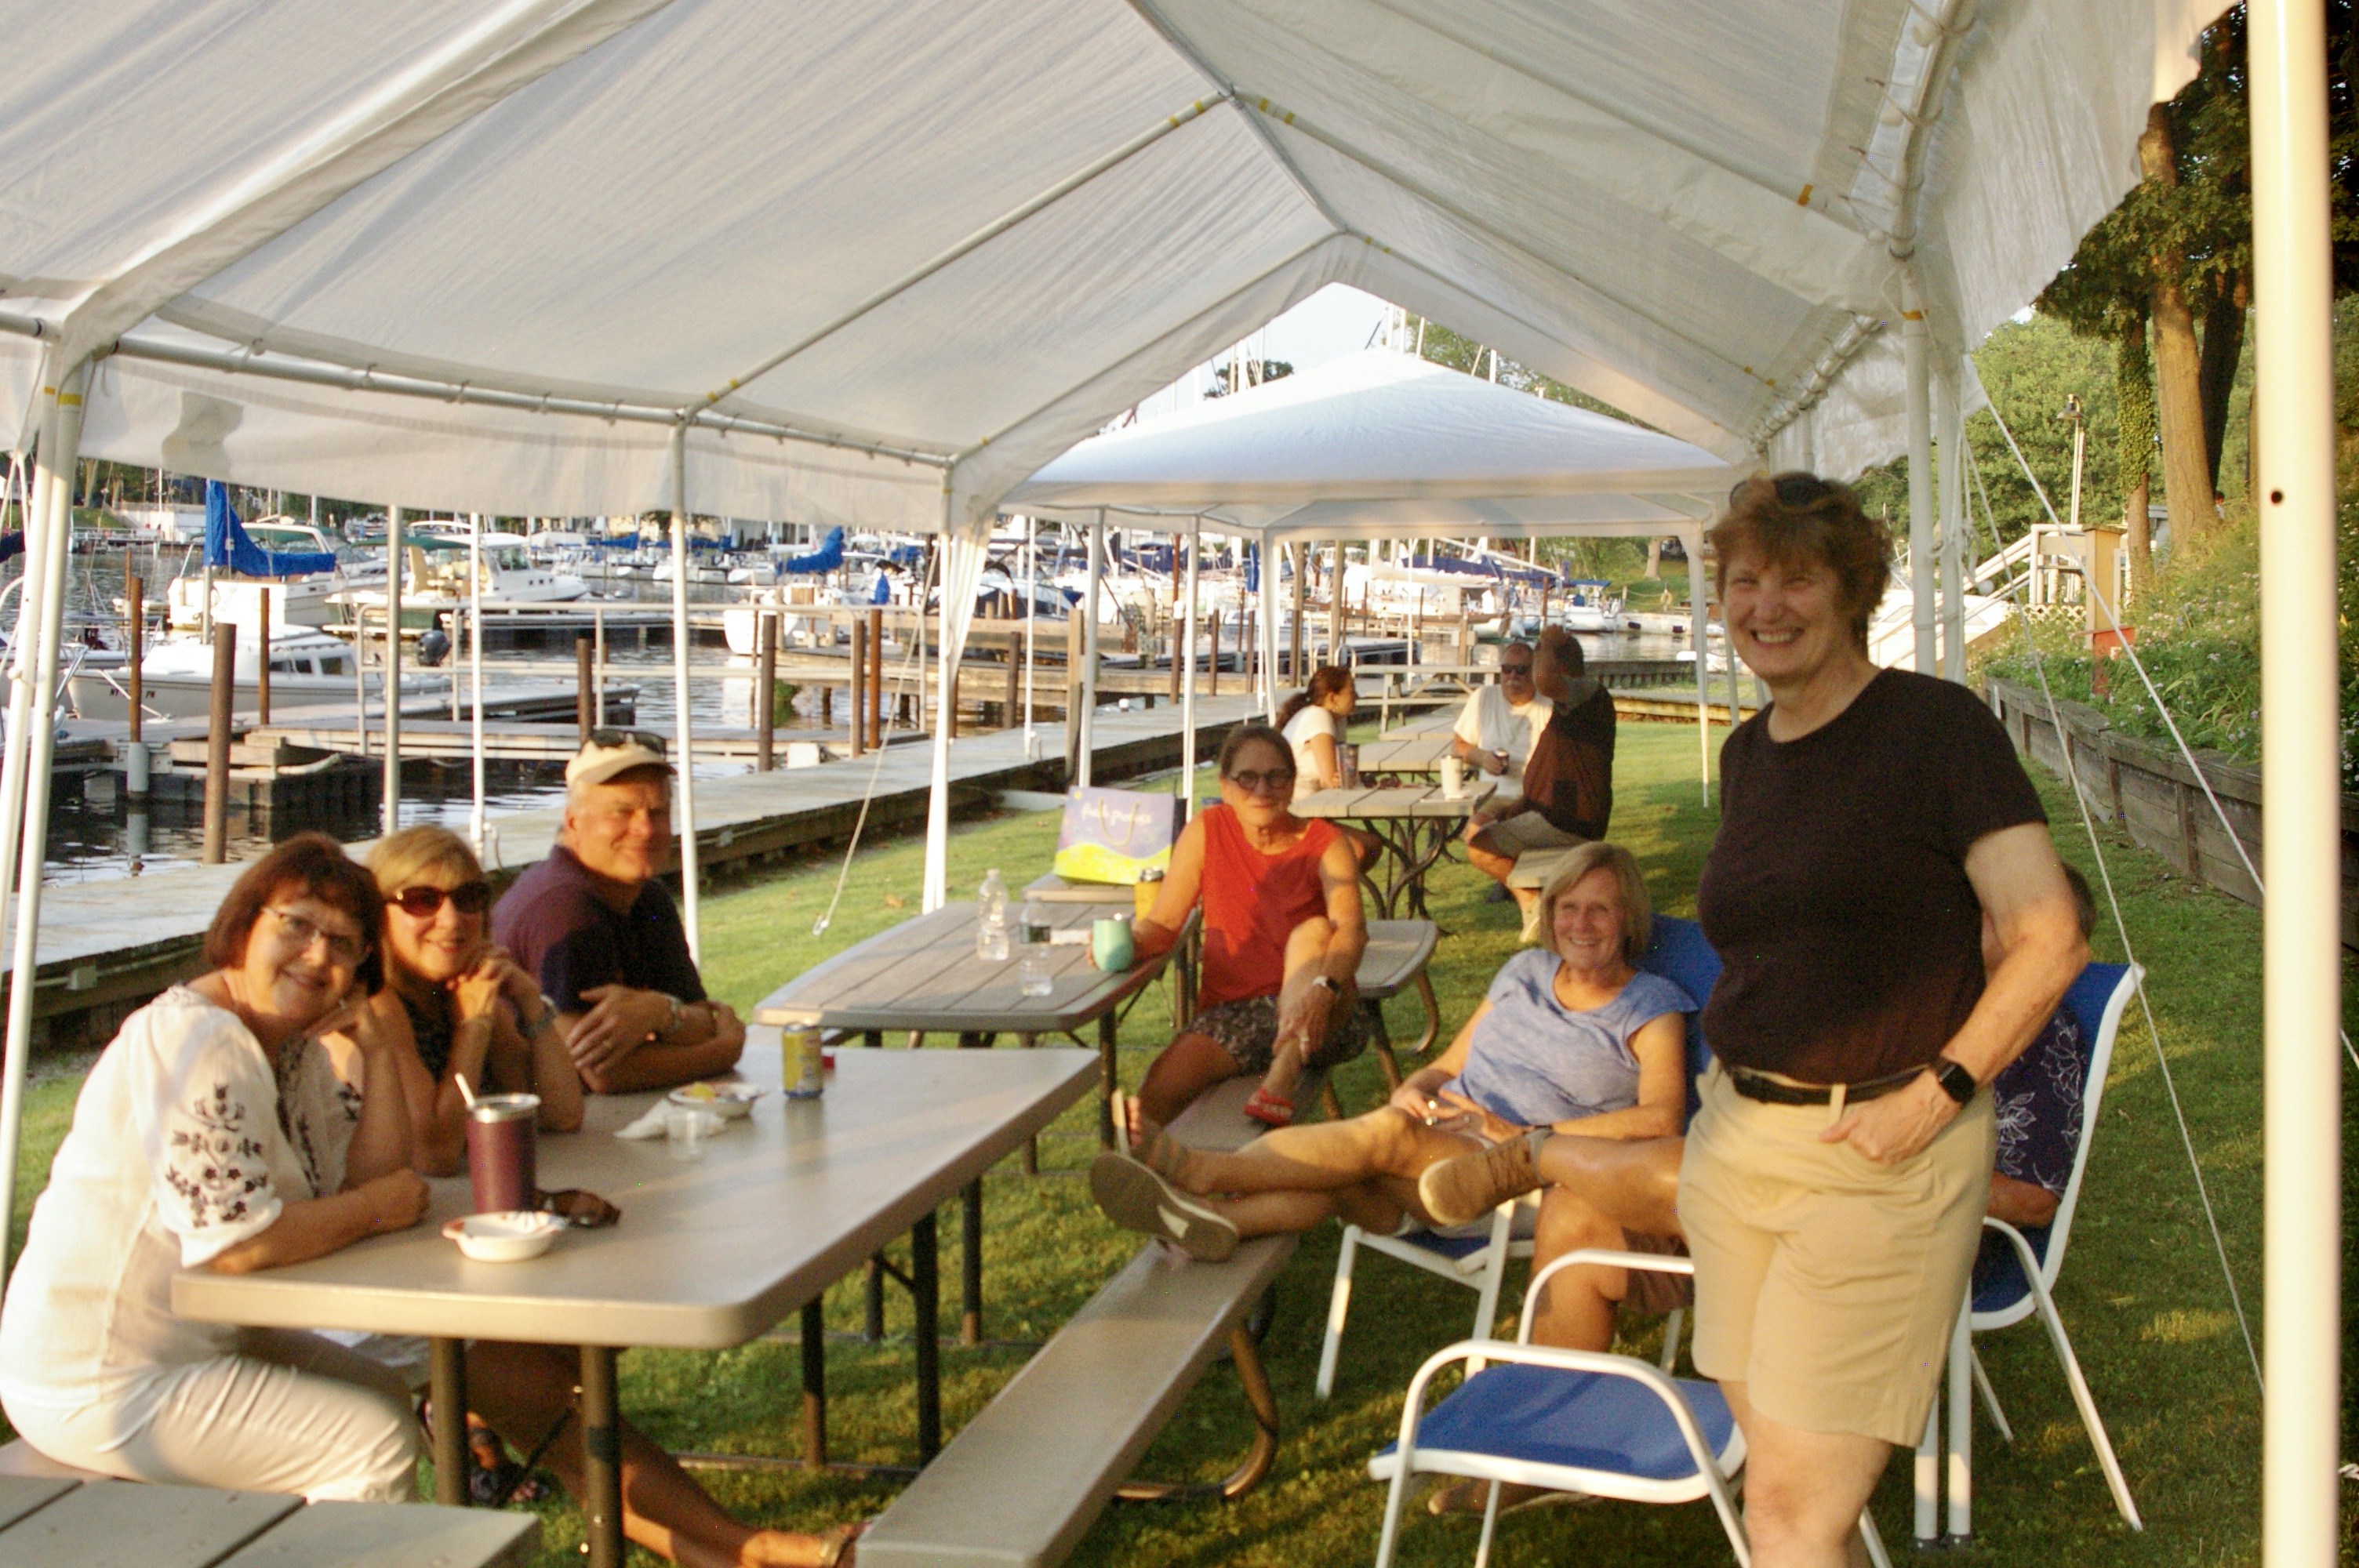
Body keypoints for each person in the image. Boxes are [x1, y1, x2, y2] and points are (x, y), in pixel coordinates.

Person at [1674, 472, 2085, 1568]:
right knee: (1790, 1498)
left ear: (1852, 591)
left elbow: (2048, 935)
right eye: (1743, 581)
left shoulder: (1935, 730)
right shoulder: (1749, 751)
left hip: (1879, 1156)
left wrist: (1939, 1092)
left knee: (1788, 1520)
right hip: (1735, 1145)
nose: (1764, 606)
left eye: (1795, 579)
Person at [0, 834, 433, 1500]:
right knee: (370, 1443)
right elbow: (238, 1245)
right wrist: (375, 1212)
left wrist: (376, 1053)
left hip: (198, 1343)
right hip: (96, 1375)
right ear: (244, 926)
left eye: (344, 944)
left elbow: (375, 1178)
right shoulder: (198, 1038)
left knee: (379, 1390)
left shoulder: (290, 1048)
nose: (318, 955)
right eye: (297, 925)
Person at [1089, 844, 1686, 1264]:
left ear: (1628, 917)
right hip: (1442, 1144)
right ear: (1550, 914)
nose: (1581, 923)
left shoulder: (1649, 1006)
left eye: (1599, 909)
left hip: (1521, 1174)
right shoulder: (1525, 970)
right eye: (1568, 907)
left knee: (1385, 1135)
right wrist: (1415, 1085)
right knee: (1341, 1174)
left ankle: (1199, 1169)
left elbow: (1660, 1120)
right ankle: (1211, 1220)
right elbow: (1448, 1065)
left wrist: (1532, 1136)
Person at [1115, 724, 1367, 1130]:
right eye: (1246, 778)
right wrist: (1123, 943)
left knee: (1315, 932)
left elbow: (1351, 930)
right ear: (1225, 787)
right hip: (1234, 1013)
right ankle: (1150, 1168)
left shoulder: (1325, 843)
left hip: (1323, 1007)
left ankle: (1282, 1076)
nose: (1261, 790)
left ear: (1291, 785)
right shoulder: (1208, 830)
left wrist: (1323, 992)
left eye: (1275, 777)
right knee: (1154, 1098)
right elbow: (1162, 925)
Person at [493, 731, 746, 1094]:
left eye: (657, 813)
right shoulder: (563, 908)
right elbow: (602, 1072)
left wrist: (659, 1011)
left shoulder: (648, 899)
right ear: (573, 822)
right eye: (622, 812)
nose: (645, 829)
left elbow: (705, 1017)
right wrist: (724, 1051)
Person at [356, 826, 583, 1174]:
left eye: (467, 898)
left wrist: (530, 1003)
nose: (451, 920)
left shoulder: (464, 989)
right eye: (422, 901)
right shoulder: (374, 1002)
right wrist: (474, 1026)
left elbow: (561, 1115)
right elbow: (435, 1153)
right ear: (378, 915)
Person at [1463, 629, 1617, 923]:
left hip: (1568, 821)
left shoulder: (1587, 693)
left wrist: (1548, 641)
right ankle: (1537, 897)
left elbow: (1545, 680)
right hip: (1557, 816)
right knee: (1486, 825)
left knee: (1479, 846)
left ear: (1560, 667)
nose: (1531, 672)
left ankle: (1533, 901)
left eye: (1533, 664)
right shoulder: (1572, 704)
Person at [1450, 639, 1551, 786]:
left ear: (1534, 672)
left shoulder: (1548, 704)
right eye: (1506, 669)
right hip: (1490, 793)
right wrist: (1483, 758)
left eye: (1521, 670)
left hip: (1535, 794)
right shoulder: (1483, 697)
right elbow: (1459, 746)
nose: (1513, 676)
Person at [1277, 665, 1357, 793]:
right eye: (1352, 692)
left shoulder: (1338, 721)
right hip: (1301, 803)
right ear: (1332, 698)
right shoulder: (1318, 716)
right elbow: (1330, 780)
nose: (1357, 697)